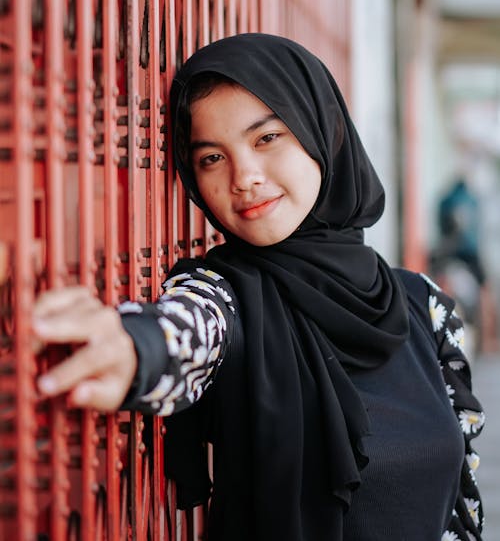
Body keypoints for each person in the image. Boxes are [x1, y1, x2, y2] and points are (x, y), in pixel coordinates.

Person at [32, 34, 484, 540]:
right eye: (211, 158)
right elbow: (186, 330)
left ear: (323, 131)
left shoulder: (423, 306)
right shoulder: (228, 295)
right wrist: (134, 348)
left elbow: (459, 507)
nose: (243, 177)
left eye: (266, 138)